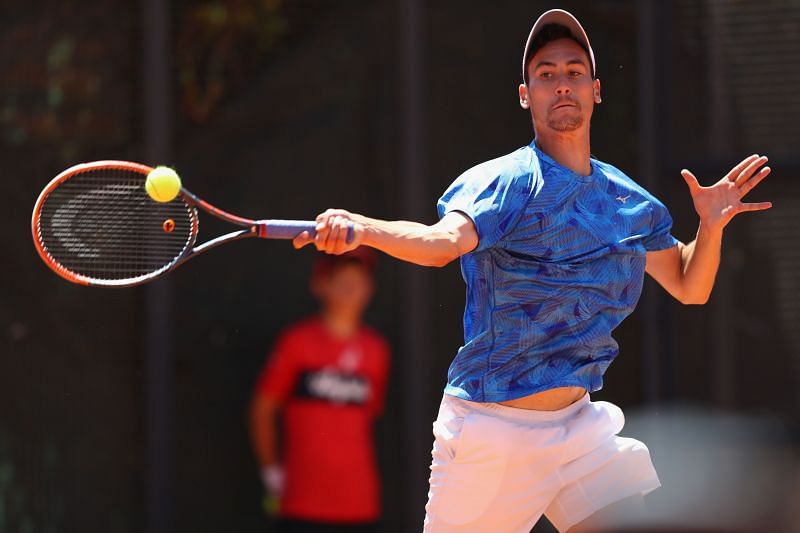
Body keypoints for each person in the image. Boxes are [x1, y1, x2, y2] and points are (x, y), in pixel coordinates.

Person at [293, 9, 772, 532]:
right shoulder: (505, 183)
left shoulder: (629, 204)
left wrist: (711, 227)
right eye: (546, 74)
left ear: (595, 89)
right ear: (526, 95)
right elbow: (440, 245)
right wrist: (361, 227)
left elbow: (689, 286)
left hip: (579, 427)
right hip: (493, 431)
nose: (561, 84)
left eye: (573, 71)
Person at [249, 247, 390, 533]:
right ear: (320, 285)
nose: (351, 289)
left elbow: (369, 414)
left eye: (358, 280)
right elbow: (262, 411)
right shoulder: (295, 343)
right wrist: (272, 473)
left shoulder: (377, 350)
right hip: (301, 505)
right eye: (342, 280)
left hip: (360, 506)